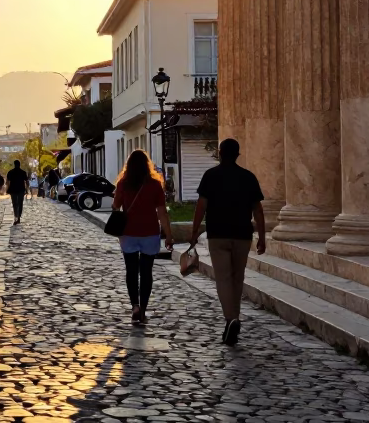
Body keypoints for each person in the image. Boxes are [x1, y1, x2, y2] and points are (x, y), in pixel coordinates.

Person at [186, 138, 266, 346]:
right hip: (242, 234)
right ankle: (235, 318)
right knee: (237, 278)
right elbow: (257, 209)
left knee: (223, 279)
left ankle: (231, 319)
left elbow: (201, 206)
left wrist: (194, 232)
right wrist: (263, 237)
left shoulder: (210, 176)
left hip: (218, 234)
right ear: (238, 154)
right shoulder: (248, 177)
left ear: (220, 153)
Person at [111, 149, 174, 324]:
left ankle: (135, 306)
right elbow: (162, 212)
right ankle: (144, 310)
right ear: (147, 166)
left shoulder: (123, 184)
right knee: (146, 273)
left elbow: (116, 206)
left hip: (128, 233)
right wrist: (168, 236)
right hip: (150, 233)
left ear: (128, 166)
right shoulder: (154, 185)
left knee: (131, 271)